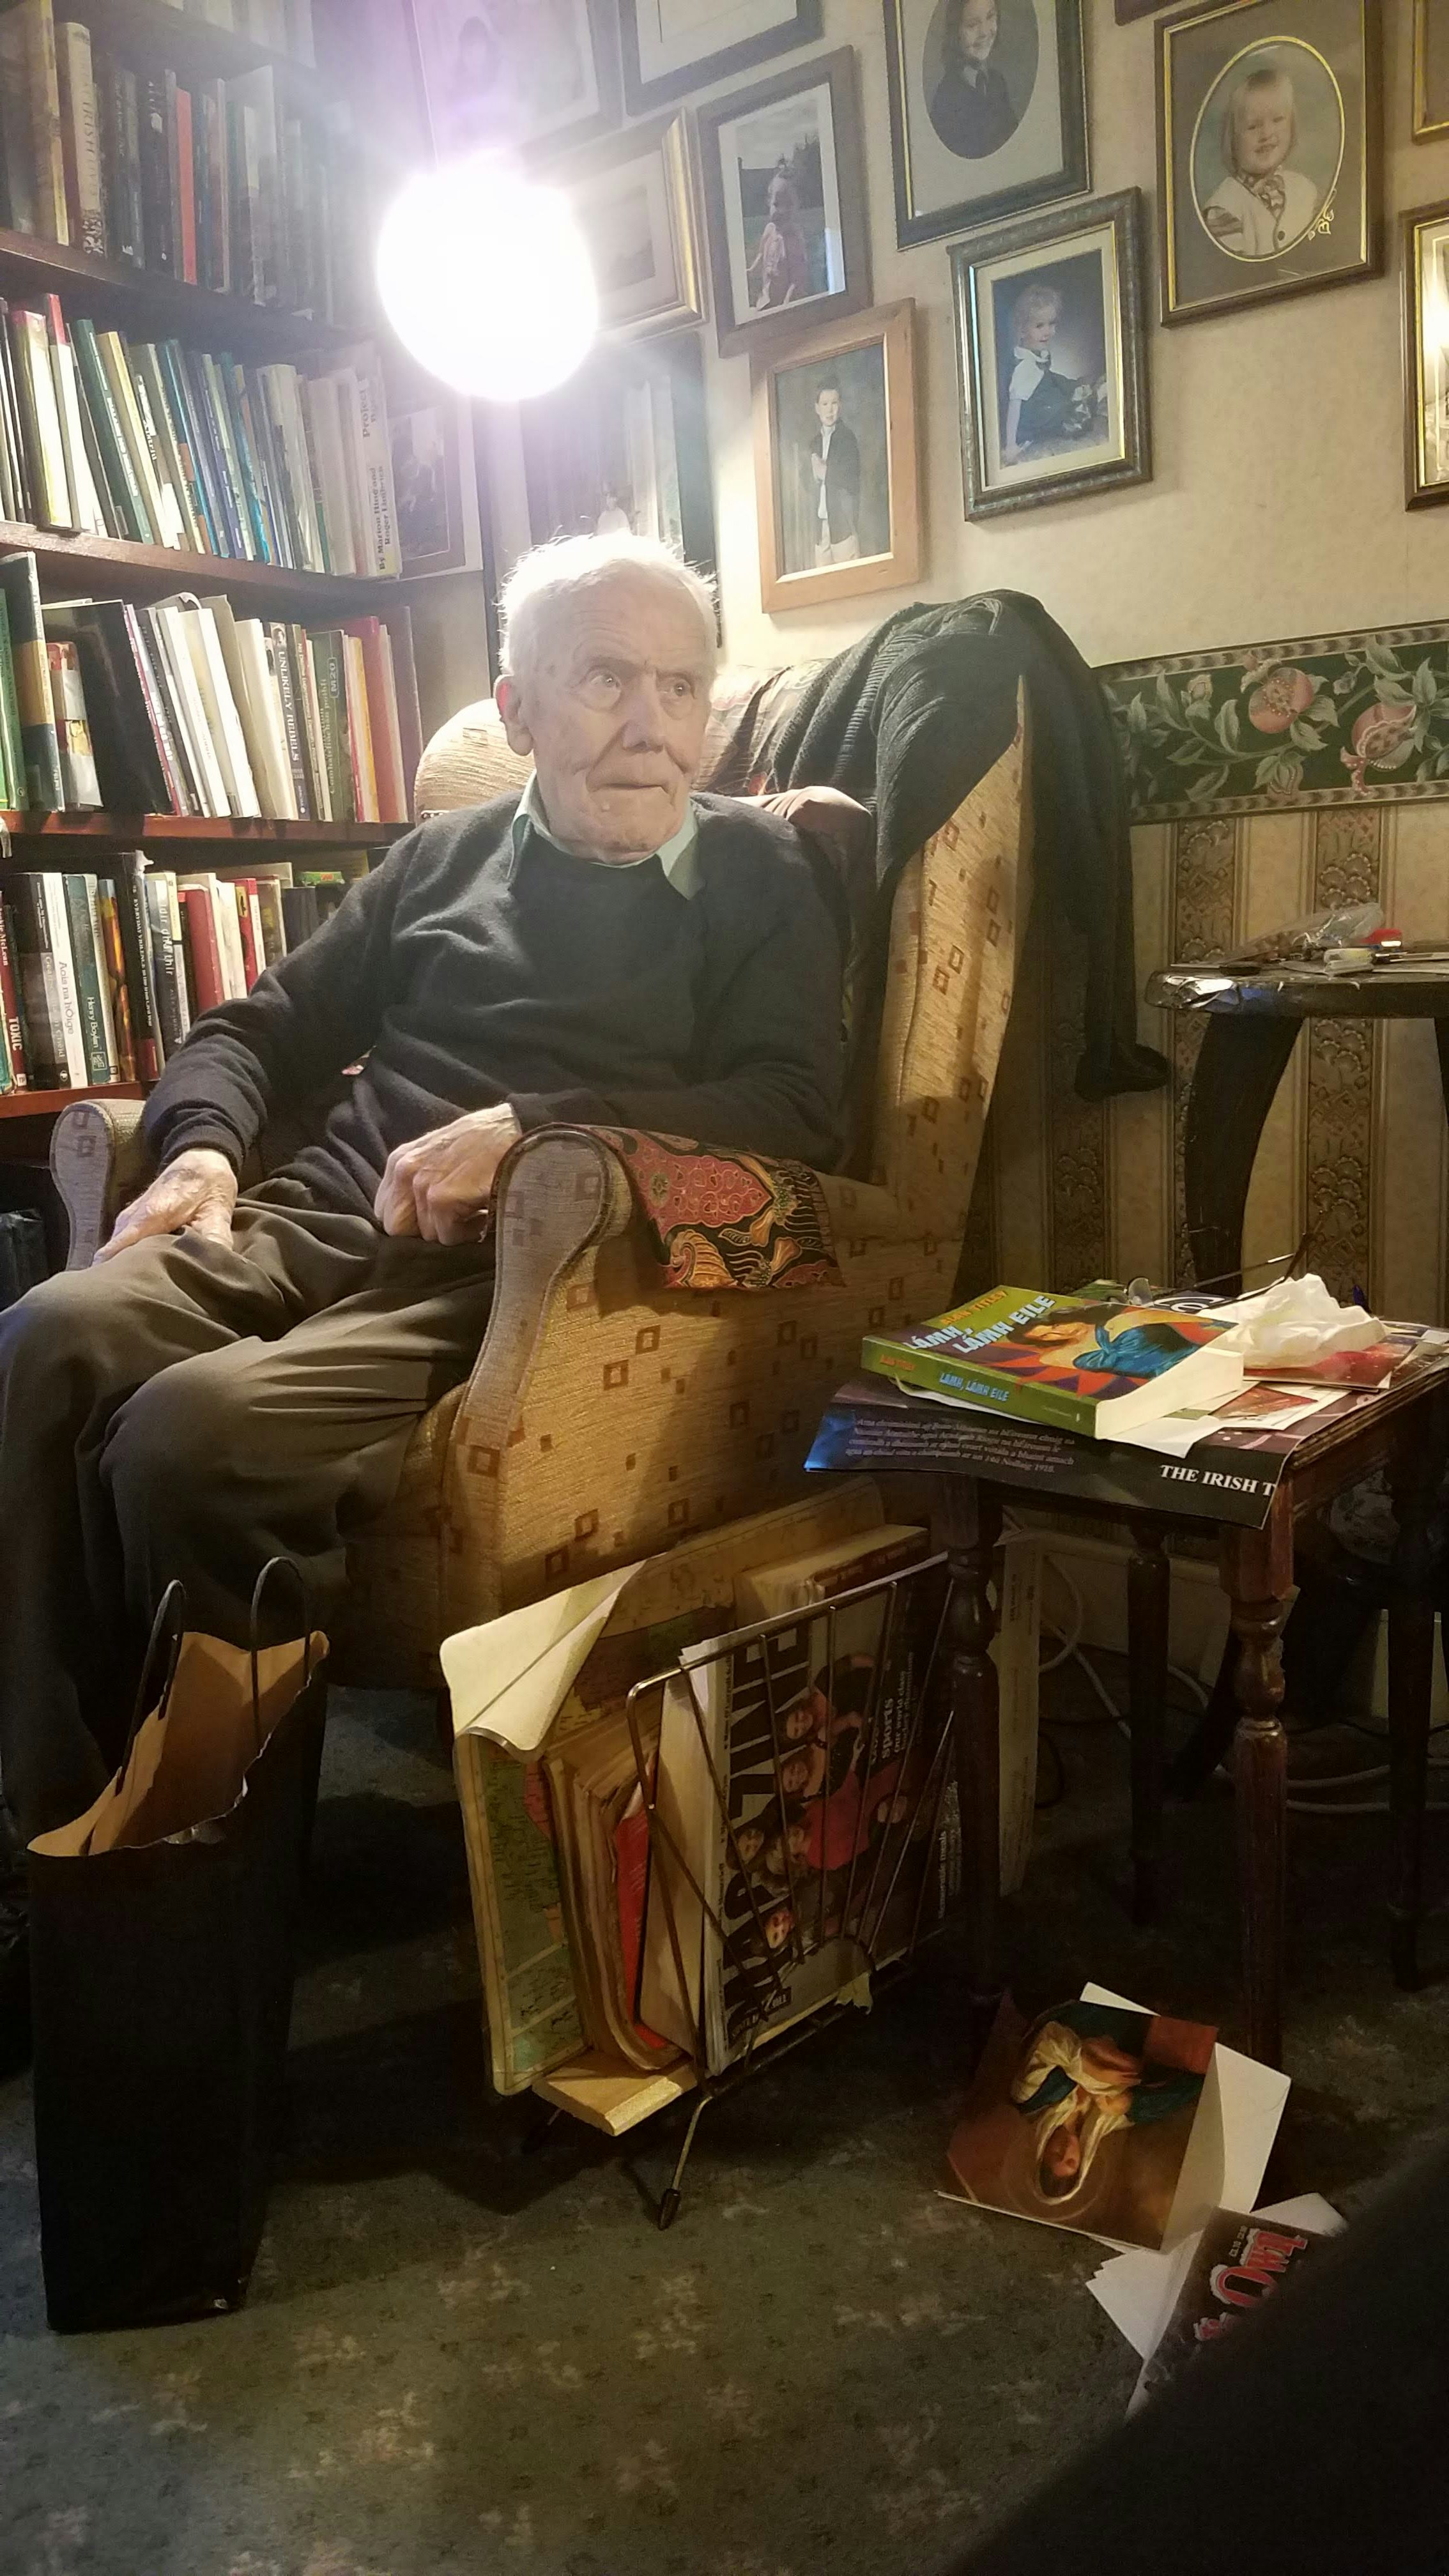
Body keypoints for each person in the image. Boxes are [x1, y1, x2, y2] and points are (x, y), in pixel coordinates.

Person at [0, 532, 852, 2073]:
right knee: (45, 1333)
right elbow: (256, 1029)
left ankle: (204, 1899)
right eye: (607, 680)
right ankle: (45, 1843)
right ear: (520, 710)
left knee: (190, 1438)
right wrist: (194, 1158)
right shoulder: (438, 862)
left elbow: (795, 1106)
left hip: (519, 1273)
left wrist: (533, 1127)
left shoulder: (758, 873)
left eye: (682, 686)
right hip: (324, 1213)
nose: (651, 721)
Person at [1200, 62, 1320, 260]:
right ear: (1233, 138)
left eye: (1278, 120)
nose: (1266, 134)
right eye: (1253, 126)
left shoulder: (1306, 191)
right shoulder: (1224, 208)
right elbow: (1231, 275)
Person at [1001, 283, 1095, 464]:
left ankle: (1078, 393)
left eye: (1051, 324)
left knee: (1064, 387)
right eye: (1039, 326)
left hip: (1043, 404)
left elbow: (1047, 378)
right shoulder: (1025, 366)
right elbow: (1015, 406)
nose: (1048, 332)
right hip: (1035, 422)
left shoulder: (1035, 356)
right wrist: (1011, 445)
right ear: (1022, 331)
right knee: (1065, 407)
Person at [929, 0, 1020, 161]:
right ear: (955, 33)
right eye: (972, 25)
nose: (984, 32)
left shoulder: (997, 82)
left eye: (990, 16)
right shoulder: (947, 99)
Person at [802, 378, 861, 567]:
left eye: (834, 403)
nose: (830, 410)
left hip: (843, 523)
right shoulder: (813, 443)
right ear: (817, 408)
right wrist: (813, 473)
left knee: (849, 579)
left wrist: (825, 472)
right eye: (825, 404)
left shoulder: (847, 439)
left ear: (840, 405)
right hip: (821, 526)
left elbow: (852, 479)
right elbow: (806, 481)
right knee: (822, 582)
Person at [747, 165, 811, 310]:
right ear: (769, 203)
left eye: (788, 205)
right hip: (764, 301)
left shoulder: (794, 240)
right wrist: (751, 271)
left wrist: (787, 303)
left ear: (798, 206)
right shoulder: (769, 230)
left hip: (783, 305)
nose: (781, 211)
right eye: (776, 204)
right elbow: (761, 254)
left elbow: (797, 279)